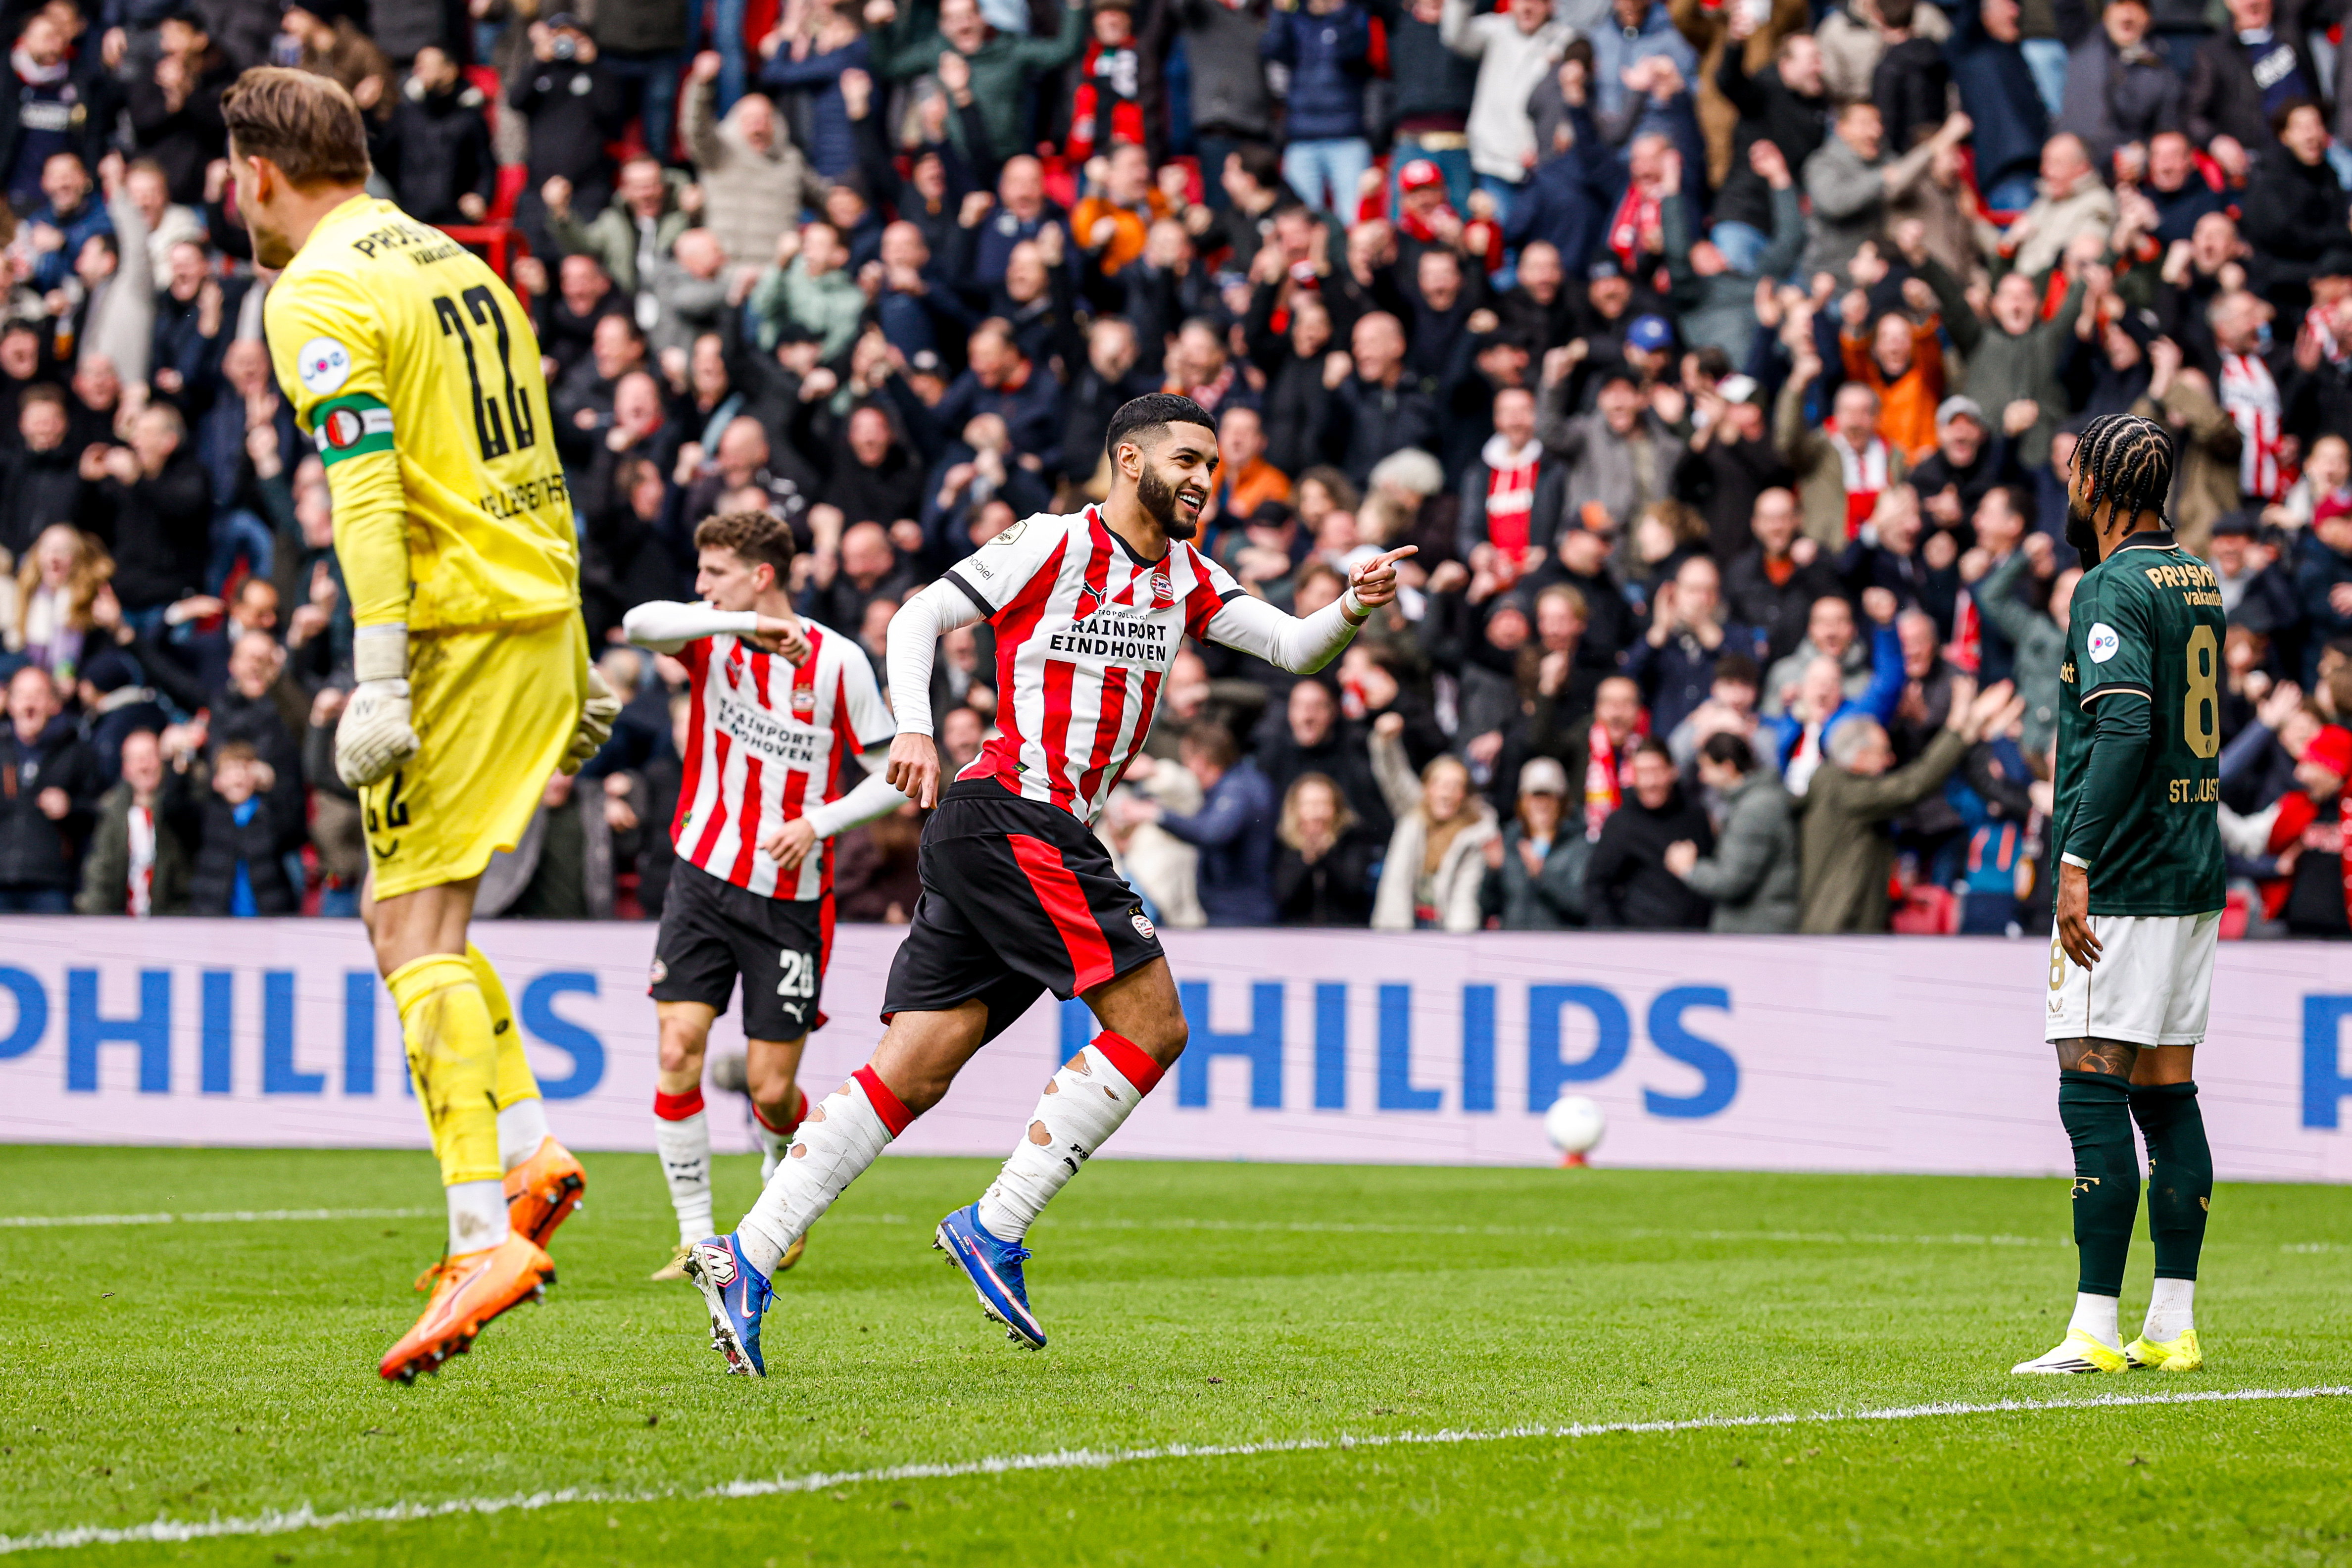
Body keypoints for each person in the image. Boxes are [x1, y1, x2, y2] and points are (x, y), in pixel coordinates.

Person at [677, 393, 1414, 1374]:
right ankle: (996, 1225)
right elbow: (919, 614)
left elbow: (1289, 646)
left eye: (1212, 466)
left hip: (1008, 834)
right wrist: (912, 724)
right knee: (1154, 1028)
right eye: (1186, 460)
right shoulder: (1054, 543)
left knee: (917, 1067)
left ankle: (748, 1258)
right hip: (1016, 815)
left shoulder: (1187, 576)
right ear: (1129, 458)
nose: (1203, 479)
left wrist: (1354, 603)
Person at [229, 67, 620, 1383]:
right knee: (411, 919)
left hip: (454, 638)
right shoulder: (461, 263)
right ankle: (528, 1148)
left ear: (261, 175)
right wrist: (574, 641)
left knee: (411, 930)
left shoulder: (316, 290)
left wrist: (381, 674)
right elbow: (534, 454)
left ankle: (479, 1236)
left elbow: (367, 493)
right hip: (536, 612)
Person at [621, 511, 906, 1278]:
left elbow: (895, 776)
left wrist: (818, 822)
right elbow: (635, 623)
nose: (699, 586)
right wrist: (740, 619)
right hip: (700, 876)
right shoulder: (712, 635)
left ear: (762, 572)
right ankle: (693, 1236)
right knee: (678, 1047)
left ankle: (784, 1180)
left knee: (769, 1089)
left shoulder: (839, 662)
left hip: (788, 899)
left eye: (714, 572)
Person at [2015, 412, 2225, 1378]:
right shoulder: (2197, 576)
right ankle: (2171, 1325)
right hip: (2192, 870)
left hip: (2129, 877)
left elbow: (2128, 727)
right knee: (2169, 1093)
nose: (2067, 491)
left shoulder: (2108, 584)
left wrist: (2075, 859)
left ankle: (2095, 1328)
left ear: (2098, 486)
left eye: (2072, 474)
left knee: (2090, 1086)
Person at [1665, 731, 1797, 932]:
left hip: (1755, 930)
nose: (1702, 776)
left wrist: (1689, 869)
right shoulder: (1761, 798)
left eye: (1707, 767)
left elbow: (1731, 882)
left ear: (1728, 767)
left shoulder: (1755, 809)